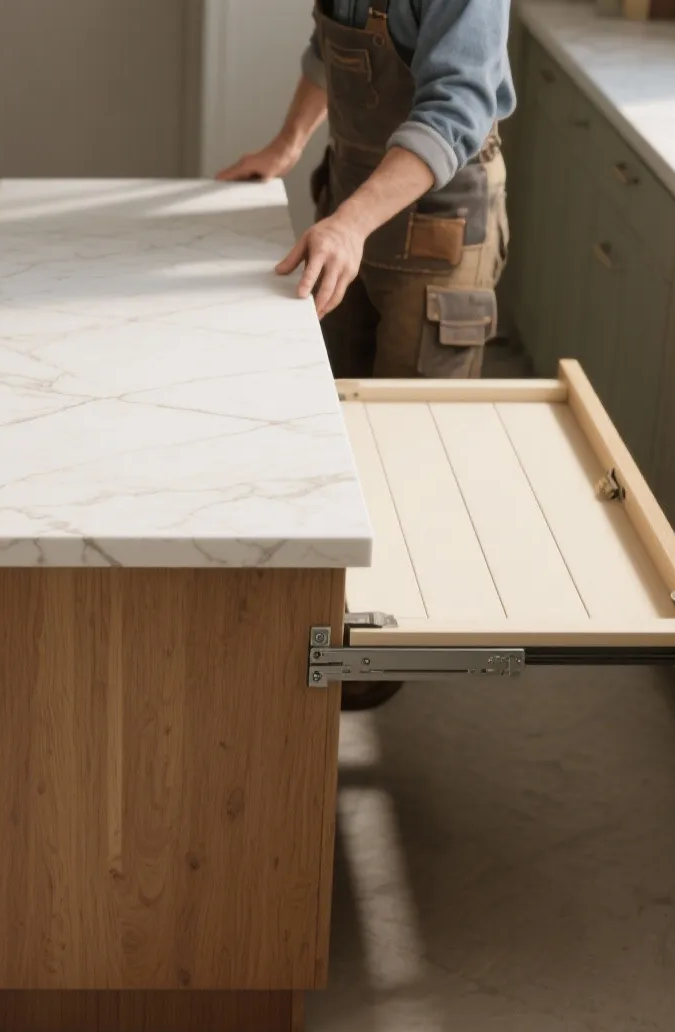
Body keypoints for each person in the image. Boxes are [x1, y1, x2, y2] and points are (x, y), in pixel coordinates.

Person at [218, 0, 515, 710]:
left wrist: (349, 223)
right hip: (351, 202)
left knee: (407, 454)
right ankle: (324, 622)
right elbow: (331, 50)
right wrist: (288, 147)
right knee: (332, 432)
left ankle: (382, 651)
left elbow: (458, 104)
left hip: (439, 223)